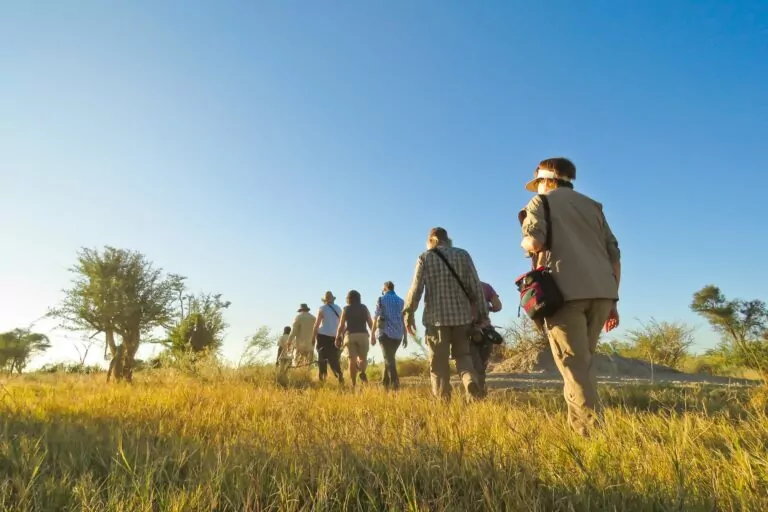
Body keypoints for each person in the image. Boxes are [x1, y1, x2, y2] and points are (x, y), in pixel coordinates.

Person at [519, 157, 621, 436]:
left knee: (573, 368)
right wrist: (613, 299)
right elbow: (615, 256)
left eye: (538, 183)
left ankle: (591, 436)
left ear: (545, 180)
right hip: (602, 293)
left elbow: (535, 242)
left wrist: (524, 240)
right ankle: (580, 428)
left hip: (564, 294)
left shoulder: (540, 203)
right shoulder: (594, 207)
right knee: (583, 365)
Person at [404, 227, 487, 402]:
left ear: (431, 240)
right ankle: (469, 381)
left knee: (439, 365)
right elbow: (476, 286)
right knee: (463, 357)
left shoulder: (425, 257)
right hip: (462, 318)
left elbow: (416, 288)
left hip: (436, 320)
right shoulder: (463, 255)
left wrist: (409, 312)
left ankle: (443, 402)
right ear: (447, 239)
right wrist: (483, 313)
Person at [372, 281, 407, 390]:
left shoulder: (381, 299)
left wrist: (372, 333)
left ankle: (395, 384)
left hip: (385, 333)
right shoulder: (401, 301)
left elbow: (376, 317)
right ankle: (384, 383)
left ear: (385, 288)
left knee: (389, 358)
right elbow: (404, 320)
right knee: (389, 357)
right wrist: (405, 336)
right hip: (398, 335)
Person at [469, 281, 502, 397]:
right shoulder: (486, 287)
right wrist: (489, 308)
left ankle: (476, 395)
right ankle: (481, 393)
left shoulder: (459, 286)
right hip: (486, 331)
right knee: (482, 366)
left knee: (472, 365)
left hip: (468, 331)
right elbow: (498, 306)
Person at [335, 290, 374, 389]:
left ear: (348, 299)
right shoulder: (364, 308)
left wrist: (337, 337)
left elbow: (341, 325)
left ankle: (353, 384)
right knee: (363, 358)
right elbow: (370, 323)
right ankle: (362, 372)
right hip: (363, 335)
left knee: (352, 360)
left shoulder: (346, 309)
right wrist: (373, 335)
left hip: (350, 335)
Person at [312, 291, 344, 383]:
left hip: (323, 336)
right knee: (333, 357)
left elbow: (317, 324)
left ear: (325, 300)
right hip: (335, 336)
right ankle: (338, 374)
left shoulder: (322, 308)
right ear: (333, 299)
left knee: (322, 357)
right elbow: (341, 324)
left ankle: (322, 377)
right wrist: (341, 336)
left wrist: (313, 337)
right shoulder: (338, 309)